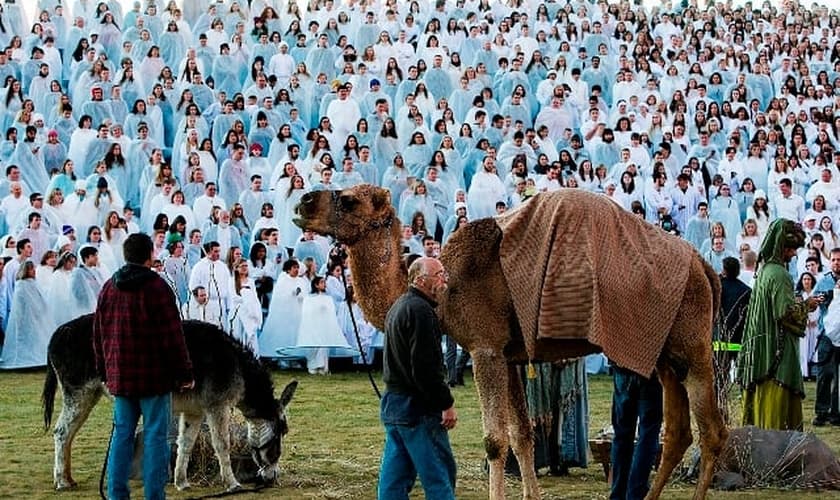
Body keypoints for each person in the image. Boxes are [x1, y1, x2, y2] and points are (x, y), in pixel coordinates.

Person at [92, 232, 193, 500]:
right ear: (150, 256)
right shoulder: (158, 288)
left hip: (122, 377)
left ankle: (117, 495)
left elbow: (99, 334)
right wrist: (184, 373)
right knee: (155, 439)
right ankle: (154, 496)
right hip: (154, 378)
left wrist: (104, 371)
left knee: (122, 437)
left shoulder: (108, 288)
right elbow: (173, 335)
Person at [378, 257, 457, 500]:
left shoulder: (400, 306)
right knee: (439, 476)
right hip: (417, 409)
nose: (444, 280)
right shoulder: (422, 312)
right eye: (439, 274)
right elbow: (425, 369)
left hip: (394, 406)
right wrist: (446, 404)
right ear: (421, 280)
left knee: (393, 482)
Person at [736, 219, 821, 431]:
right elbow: (784, 313)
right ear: (782, 247)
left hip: (760, 356)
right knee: (777, 424)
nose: (794, 255)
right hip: (776, 359)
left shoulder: (764, 272)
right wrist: (807, 305)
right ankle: (779, 460)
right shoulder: (780, 275)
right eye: (791, 249)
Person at [609, 362, 663, 500]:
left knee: (622, 435)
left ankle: (619, 493)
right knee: (647, 435)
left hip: (622, 368)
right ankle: (636, 494)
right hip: (650, 371)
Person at [813, 247, 840, 426]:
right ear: (829, 261)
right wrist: (825, 299)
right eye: (834, 260)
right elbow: (814, 302)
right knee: (824, 374)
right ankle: (821, 411)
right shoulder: (823, 282)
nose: (837, 263)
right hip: (826, 335)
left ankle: (836, 412)